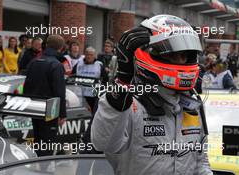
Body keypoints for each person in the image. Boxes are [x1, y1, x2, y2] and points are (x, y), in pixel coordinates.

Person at [91, 15, 212, 175]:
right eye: (172, 55)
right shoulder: (128, 103)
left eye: (184, 56)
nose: (181, 62)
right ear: (149, 53)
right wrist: (122, 82)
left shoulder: (193, 106)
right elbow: (103, 143)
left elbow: (200, 161)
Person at [23, 35, 66, 156]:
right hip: (50, 107)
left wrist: (27, 103)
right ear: (61, 48)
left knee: (38, 137)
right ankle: (43, 167)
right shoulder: (56, 65)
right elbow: (59, 91)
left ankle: (38, 163)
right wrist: (62, 114)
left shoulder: (34, 61)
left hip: (34, 106)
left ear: (46, 45)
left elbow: (26, 85)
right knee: (47, 140)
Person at [76, 46, 107, 111]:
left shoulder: (99, 65)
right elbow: (72, 77)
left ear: (94, 56)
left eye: (91, 55)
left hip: (94, 96)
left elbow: (105, 79)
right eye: (87, 54)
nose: (89, 57)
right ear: (85, 55)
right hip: (80, 95)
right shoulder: (79, 64)